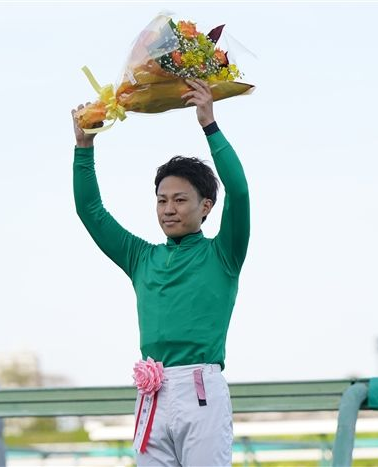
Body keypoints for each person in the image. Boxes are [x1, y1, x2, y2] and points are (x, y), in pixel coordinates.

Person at [72, 78, 250, 466]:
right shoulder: (141, 257)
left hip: (201, 391)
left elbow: (239, 192)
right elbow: (92, 213)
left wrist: (209, 124)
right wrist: (84, 148)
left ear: (205, 206)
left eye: (180, 200)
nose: (168, 208)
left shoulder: (224, 253)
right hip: (151, 392)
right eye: (161, 200)